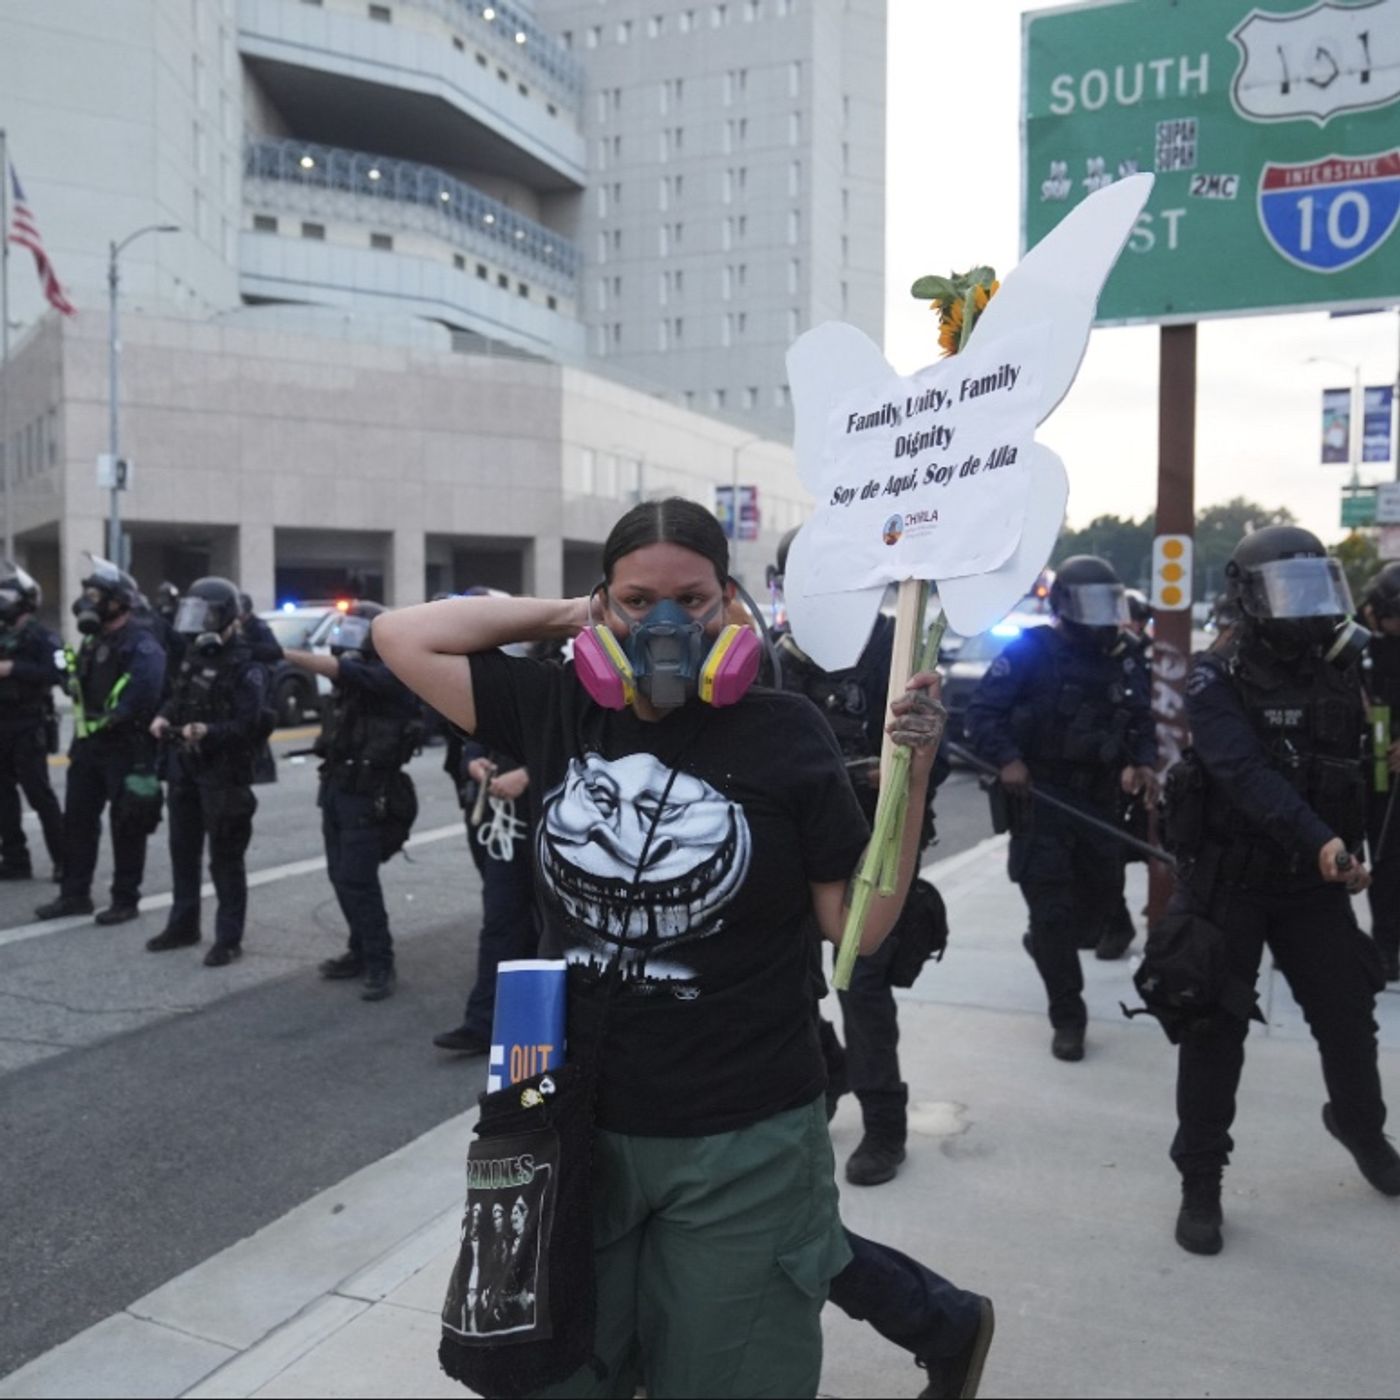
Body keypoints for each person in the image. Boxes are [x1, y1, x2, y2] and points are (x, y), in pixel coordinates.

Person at [374, 498, 960, 1399]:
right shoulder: (556, 705)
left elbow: (861, 927)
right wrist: (578, 616)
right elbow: (401, 635)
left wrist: (910, 783)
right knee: (566, 1370)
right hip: (570, 1124)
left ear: (730, 603)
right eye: (638, 601)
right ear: (604, 606)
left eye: (690, 600)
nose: (665, 626)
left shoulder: (785, 731)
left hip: (743, 1129)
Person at [1164, 526, 1399, 1256]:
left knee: (1349, 1018)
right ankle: (1200, 1181)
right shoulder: (1214, 676)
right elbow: (1243, 774)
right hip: (1232, 884)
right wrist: (1321, 839)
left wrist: (1360, 837)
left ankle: (1361, 1128)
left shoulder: (1346, 662)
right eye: (1288, 591)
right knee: (1213, 1035)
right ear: (1249, 596)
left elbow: (1365, 763)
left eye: (1314, 589)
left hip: (1314, 886)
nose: (1307, 608)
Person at [770, 527, 942, 1187]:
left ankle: (884, 1124)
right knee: (790, 979)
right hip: (790, 845)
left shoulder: (889, 654)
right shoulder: (770, 662)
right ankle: (825, 1070)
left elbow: (929, 761)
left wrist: (898, 766)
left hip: (870, 843)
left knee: (863, 982)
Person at [965, 555, 1157, 1062]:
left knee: (1097, 911)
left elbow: (1141, 718)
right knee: (1052, 913)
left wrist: (1142, 762)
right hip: (1043, 801)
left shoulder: (1127, 654)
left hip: (1099, 802)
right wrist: (1008, 759)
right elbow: (982, 715)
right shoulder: (1030, 651)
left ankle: (1048, 944)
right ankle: (1068, 1018)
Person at [285, 601, 421, 1002]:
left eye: (358, 633)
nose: (349, 642)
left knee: (359, 880)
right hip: (338, 786)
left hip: (370, 792)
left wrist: (285, 654)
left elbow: (349, 672)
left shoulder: (392, 674)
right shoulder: (355, 679)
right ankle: (358, 949)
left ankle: (381, 961)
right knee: (340, 875)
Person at [146, 577, 269, 966]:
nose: (200, 622)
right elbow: (177, 697)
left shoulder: (247, 664)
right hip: (185, 766)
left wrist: (208, 731)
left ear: (228, 617)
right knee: (183, 852)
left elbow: (252, 724)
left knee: (225, 858)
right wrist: (163, 717)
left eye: (208, 614)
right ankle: (183, 926)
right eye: (195, 613)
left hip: (224, 774)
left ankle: (228, 938)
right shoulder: (191, 655)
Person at [36, 557, 166, 924]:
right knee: (77, 821)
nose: (88, 601)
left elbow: (146, 688)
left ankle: (125, 899)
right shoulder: (93, 640)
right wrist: (66, 674)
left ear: (118, 601)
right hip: (89, 746)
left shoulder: (140, 642)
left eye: (96, 595)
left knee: (127, 823)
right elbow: (78, 685)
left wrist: (118, 717)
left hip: (126, 746)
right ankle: (74, 895)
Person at [432, 730, 538, 1055]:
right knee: (500, 920)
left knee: (558, 928)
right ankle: (484, 1022)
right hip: (505, 821)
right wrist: (473, 760)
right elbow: (481, 721)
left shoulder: (572, 681)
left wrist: (528, 775)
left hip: (555, 817)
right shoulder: (509, 679)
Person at [0, 564, 66, 882]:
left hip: (29, 722)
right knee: (3, 795)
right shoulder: (2, 633)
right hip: (2, 722)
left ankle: (64, 860)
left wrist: (15, 668)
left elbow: (61, 672)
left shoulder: (45, 636)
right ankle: (15, 859)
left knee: (39, 794)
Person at [1359, 563, 1400, 982]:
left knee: (1390, 861)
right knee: (1339, 854)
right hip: (1351, 762)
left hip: (1392, 764)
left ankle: (1388, 945)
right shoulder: (1346, 634)